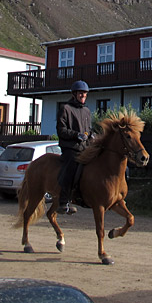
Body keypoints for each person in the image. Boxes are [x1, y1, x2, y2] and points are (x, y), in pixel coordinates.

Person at [56, 80, 92, 214]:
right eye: (81, 93)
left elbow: (89, 129)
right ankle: (64, 201)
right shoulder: (65, 109)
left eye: (85, 94)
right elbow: (61, 130)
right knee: (71, 166)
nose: (83, 96)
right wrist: (76, 135)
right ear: (74, 94)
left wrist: (91, 135)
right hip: (70, 147)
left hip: (84, 147)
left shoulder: (87, 111)